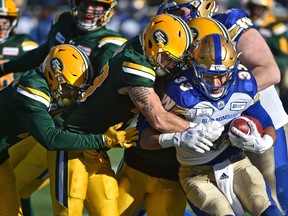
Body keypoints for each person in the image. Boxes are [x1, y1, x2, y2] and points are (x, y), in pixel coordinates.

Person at [132, 0, 288, 214]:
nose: (174, 11)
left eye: (181, 6)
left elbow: (270, 72)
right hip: (197, 129)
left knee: (276, 195)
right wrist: (187, 123)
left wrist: (220, 105)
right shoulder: (171, 34)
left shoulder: (227, 23)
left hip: (249, 117)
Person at [58, 13, 196, 216]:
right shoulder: (136, 66)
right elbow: (158, 119)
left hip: (97, 147)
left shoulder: (136, 46)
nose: (171, 65)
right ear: (153, 46)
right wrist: (198, 130)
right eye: (168, 59)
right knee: (69, 210)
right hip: (72, 142)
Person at [0, 0, 128, 214]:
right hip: (58, 129)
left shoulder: (109, 45)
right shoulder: (33, 91)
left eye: (97, 5)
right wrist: (103, 139)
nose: (89, 9)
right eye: (84, 3)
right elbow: (51, 139)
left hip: (71, 127)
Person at [246, 0, 288, 212]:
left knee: (278, 176)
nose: (256, 10)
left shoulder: (274, 27)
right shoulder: (248, 23)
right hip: (238, 105)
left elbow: (280, 61)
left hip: (263, 88)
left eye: (259, 7)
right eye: (253, 6)